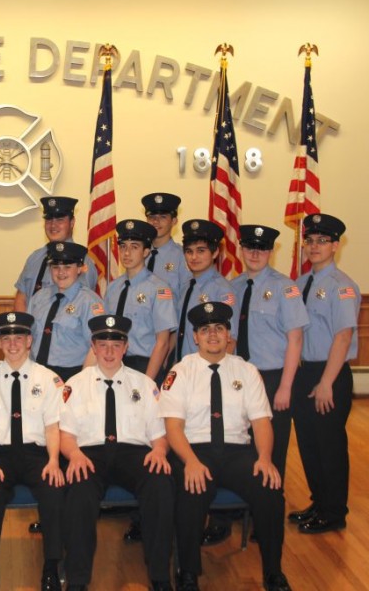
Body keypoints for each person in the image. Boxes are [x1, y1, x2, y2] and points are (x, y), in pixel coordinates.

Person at [160, 302, 290, 591]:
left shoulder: (247, 371)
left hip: (237, 452)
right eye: (205, 330)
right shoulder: (181, 372)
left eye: (219, 328)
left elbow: (261, 423)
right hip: (194, 450)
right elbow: (172, 428)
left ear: (229, 333)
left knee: (270, 490)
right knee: (192, 490)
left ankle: (273, 573)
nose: (213, 335)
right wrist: (191, 462)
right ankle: (188, 573)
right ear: (195, 337)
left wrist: (266, 459)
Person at [201, 225, 309, 547]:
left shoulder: (285, 288)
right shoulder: (232, 287)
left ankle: (266, 518)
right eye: (249, 247)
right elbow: (227, 338)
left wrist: (286, 386)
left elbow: (295, 339)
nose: (255, 253)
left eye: (261, 248)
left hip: (273, 377)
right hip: (237, 377)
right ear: (241, 249)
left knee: (271, 450)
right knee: (231, 443)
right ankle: (223, 518)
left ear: (270, 251)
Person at [60, 315, 174, 591]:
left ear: (125, 347)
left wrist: (159, 451)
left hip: (133, 453)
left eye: (116, 344)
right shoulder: (75, 385)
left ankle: (160, 576)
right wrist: (74, 455)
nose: (109, 352)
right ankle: (77, 580)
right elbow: (65, 434)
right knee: (78, 491)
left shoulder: (145, 385)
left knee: (160, 483)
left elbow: (159, 433)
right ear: (94, 347)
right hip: (88, 454)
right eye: (103, 344)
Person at [0, 311, 65, 591]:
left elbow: (52, 427)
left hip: (37, 455)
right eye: (6, 338)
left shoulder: (48, 378)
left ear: (30, 341)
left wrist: (53, 462)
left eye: (19, 337)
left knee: (55, 492)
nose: (13, 344)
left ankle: (51, 566)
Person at [289, 214, 360, 535]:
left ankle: (334, 512)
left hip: (329, 374)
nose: (314, 246)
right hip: (305, 372)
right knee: (308, 443)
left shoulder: (342, 287)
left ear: (336, 245)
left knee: (329, 445)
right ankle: (319, 502)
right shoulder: (302, 284)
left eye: (322, 241)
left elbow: (342, 337)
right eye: (310, 240)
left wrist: (326, 383)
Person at [104, 219, 177, 382]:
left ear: (146, 252)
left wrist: (147, 383)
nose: (127, 253)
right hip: (114, 365)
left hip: (144, 366)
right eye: (123, 247)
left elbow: (163, 343)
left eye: (134, 247)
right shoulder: (113, 288)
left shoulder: (159, 289)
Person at [28, 241, 104, 382]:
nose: (61, 272)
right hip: (37, 373)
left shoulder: (89, 302)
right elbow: (28, 338)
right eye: (55, 267)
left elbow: (97, 347)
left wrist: (81, 382)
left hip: (72, 375)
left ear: (80, 268)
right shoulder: (39, 298)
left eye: (67, 267)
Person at [170, 219, 238, 368]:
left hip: (207, 369)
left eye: (201, 251)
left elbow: (230, 340)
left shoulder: (222, 290)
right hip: (184, 369)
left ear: (215, 253)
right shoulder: (186, 286)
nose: (194, 257)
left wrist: (215, 372)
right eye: (189, 251)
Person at [14, 196, 98, 312]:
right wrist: (25, 328)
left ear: (72, 222)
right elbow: (21, 298)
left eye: (60, 220)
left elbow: (81, 305)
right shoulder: (34, 258)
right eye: (49, 219)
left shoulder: (81, 261)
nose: (53, 225)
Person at [141, 193, 190, 294]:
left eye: (163, 217)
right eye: (152, 217)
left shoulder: (183, 256)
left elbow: (187, 296)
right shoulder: (138, 254)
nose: (156, 221)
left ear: (174, 221)